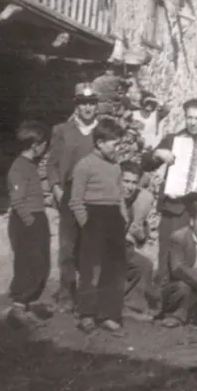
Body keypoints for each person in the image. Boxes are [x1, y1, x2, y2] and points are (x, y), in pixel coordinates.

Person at [142, 97, 197, 298]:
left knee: (195, 256)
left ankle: (191, 301)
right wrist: (157, 154)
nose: (193, 122)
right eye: (189, 117)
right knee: (167, 254)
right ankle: (161, 299)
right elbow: (146, 164)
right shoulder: (173, 140)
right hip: (174, 207)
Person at [68, 117, 127, 334]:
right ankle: (87, 314)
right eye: (114, 144)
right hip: (94, 219)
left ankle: (108, 314)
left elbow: (120, 195)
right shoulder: (84, 165)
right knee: (90, 269)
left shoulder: (116, 166)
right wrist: (87, 225)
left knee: (114, 270)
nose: (117, 148)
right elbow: (76, 201)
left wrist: (123, 217)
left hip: (114, 220)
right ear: (100, 143)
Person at [48, 82, 100, 312]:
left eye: (91, 103)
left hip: (95, 194)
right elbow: (52, 164)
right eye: (83, 103)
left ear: (97, 105)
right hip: (69, 193)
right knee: (67, 247)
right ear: (76, 105)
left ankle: (89, 297)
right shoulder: (62, 131)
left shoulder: (103, 131)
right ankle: (66, 293)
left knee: (90, 247)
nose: (87, 108)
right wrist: (57, 189)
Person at [6, 120, 54, 327]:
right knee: (28, 264)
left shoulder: (29, 166)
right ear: (35, 145)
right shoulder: (19, 168)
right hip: (26, 221)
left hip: (35, 218)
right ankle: (18, 309)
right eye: (44, 145)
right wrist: (31, 222)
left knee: (40, 264)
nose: (45, 149)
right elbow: (17, 201)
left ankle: (26, 305)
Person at [121, 160, 156, 322]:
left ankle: (131, 306)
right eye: (126, 181)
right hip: (101, 247)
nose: (130, 187)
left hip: (123, 248)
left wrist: (140, 234)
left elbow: (142, 235)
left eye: (134, 183)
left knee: (144, 264)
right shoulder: (108, 197)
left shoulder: (140, 200)